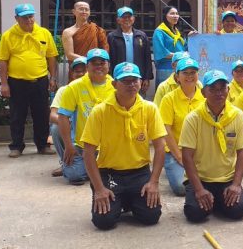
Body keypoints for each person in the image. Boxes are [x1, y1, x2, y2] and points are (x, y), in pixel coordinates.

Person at [81, 62, 167, 230]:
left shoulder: (150, 109)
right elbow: (88, 152)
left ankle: (126, 201)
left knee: (151, 216)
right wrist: (99, 189)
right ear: (114, 84)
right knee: (104, 222)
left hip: (139, 171)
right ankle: (121, 200)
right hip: (110, 173)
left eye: (135, 80)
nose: (131, 85)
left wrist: (154, 181)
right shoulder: (99, 111)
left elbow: (160, 146)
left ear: (141, 82)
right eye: (125, 81)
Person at [180, 70, 243, 222]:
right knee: (195, 213)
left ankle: (217, 201)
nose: (219, 93)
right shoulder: (193, 118)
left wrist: (236, 185)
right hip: (201, 179)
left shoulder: (238, 116)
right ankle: (211, 200)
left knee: (238, 210)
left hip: (227, 179)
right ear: (203, 92)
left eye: (222, 88)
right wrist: (199, 190)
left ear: (228, 90)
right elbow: (186, 156)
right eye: (212, 89)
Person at [0, 3, 58, 158]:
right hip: (17, 82)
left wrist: (53, 78)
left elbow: (51, 57)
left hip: (40, 81)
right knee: (17, 115)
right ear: (16, 18)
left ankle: (43, 145)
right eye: (24, 17)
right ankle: (16, 146)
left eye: (31, 16)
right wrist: (4, 84)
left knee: (42, 115)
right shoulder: (8, 35)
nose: (29, 20)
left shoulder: (44, 33)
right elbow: (3, 61)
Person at [57, 48, 115, 185]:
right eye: (94, 63)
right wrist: (69, 146)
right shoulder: (74, 87)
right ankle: (84, 168)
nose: (98, 66)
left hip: (110, 146)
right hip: (83, 145)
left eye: (102, 63)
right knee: (74, 174)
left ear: (108, 65)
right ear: (87, 66)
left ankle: (92, 169)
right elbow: (63, 116)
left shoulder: (116, 85)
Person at [159, 58, 205, 196]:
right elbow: (166, 130)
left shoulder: (205, 96)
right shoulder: (169, 99)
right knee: (182, 187)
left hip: (201, 151)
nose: (189, 76)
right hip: (176, 151)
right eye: (185, 73)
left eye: (193, 72)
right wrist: (179, 157)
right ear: (177, 76)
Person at [50, 56, 87, 178]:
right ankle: (67, 161)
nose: (80, 74)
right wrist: (66, 121)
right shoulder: (64, 90)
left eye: (84, 70)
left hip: (90, 129)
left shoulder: (97, 89)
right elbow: (53, 115)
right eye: (77, 71)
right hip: (71, 129)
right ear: (72, 73)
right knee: (56, 128)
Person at [107, 6, 153, 94]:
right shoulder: (112, 36)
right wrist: (111, 76)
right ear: (118, 20)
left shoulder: (141, 36)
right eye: (124, 17)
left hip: (137, 76)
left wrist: (147, 78)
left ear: (133, 19)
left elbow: (147, 58)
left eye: (129, 17)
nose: (127, 19)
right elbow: (110, 59)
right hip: (120, 76)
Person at [153, 6, 187, 88]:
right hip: (166, 67)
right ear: (165, 16)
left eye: (177, 14)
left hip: (181, 68)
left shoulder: (178, 32)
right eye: (172, 13)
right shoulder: (159, 32)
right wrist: (180, 55)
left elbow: (185, 48)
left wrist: (192, 37)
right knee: (166, 91)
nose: (175, 16)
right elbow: (160, 52)